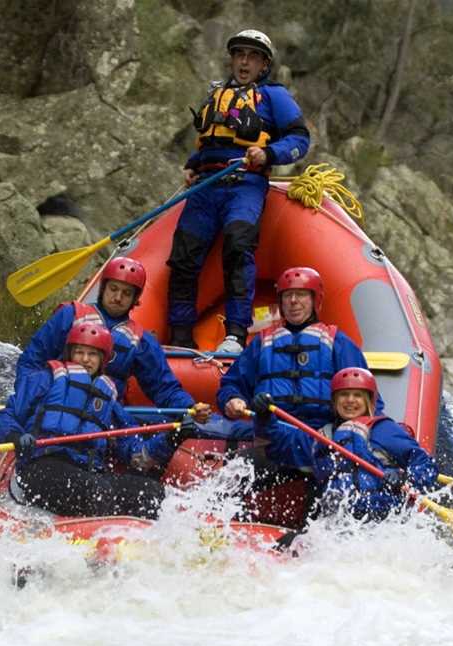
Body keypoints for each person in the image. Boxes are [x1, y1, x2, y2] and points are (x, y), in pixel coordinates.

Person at [166, 29, 310, 353]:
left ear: (264, 65)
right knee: (183, 256)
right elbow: (211, 141)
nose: (244, 61)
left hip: (244, 183)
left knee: (237, 244)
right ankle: (179, 335)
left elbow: (300, 139)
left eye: (253, 56)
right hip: (206, 186)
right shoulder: (218, 94)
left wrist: (269, 154)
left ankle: (235, 334)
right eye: (239, 54)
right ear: (232, 59)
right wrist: (193, 163)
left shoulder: (273, 96)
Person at [0, 322, 195, 518]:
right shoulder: (46, 379)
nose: (85, 359)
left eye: (92, 354)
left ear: (102, 360)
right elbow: (6, 415)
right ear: (70, 353)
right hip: (42, 466)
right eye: (80, 352)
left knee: (151, 492)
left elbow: (137, 453)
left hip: (87, 472)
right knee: (96, 491)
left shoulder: (109, 401)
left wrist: (172, 438)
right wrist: (15, 436)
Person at [17, 256, 210, 422]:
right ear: (103, 288)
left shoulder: (140, 341)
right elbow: (32, 361)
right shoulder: (69, 315)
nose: (118, 297)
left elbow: (165, 389)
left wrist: (189, 408)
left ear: (136, 298)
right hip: (57, 405)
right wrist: (24, 401)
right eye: (114, 289)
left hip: (103, 414)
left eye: (126, 293)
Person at [254, 367, 438, 522]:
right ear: (334, 402)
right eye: (344, 395)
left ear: (369, 401)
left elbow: (425, 464)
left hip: (383, 522)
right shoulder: (321, 437)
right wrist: (264, 417)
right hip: (336, 524)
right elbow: (280, 444)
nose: (350, 400)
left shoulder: (384, 430)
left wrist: (406, 479)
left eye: (357, 395)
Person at [217, 266, 384, 434]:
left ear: (315, 300)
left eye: (301, 294)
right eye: (288, 295)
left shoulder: (337, 341)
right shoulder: (262, 342)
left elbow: (370, 399)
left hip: (322, 435)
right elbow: (232, 384)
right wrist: (232, 399)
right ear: (281, 302)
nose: (293, 301)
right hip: (271, 431)